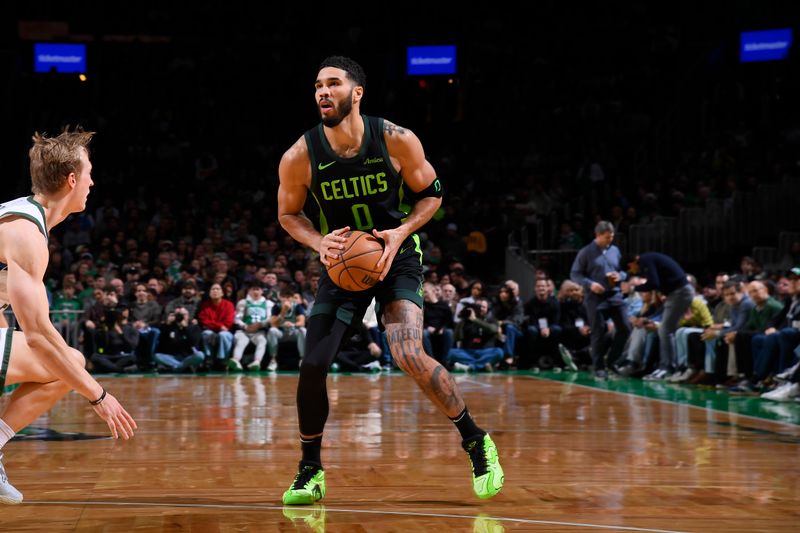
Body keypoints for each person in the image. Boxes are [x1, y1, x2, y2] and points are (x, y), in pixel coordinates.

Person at [277, 56, 503, 505]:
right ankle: (310, 471)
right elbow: (288, 214)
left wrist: (401, 232)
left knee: (406, 353)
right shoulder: (300, 155)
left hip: (394, 257)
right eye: (318, 85)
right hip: (342, 261)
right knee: (312, 365)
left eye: (334, 84)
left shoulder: (396, 139)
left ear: (356, 93)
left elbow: (432, 195)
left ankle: (476, 441)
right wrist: (319, 242)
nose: (323, 92)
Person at [0, 128, 137, 505]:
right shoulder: (26, 234)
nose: (93, 181)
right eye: (89, 172)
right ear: (72, 179)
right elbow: (38, 338)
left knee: (66, 362)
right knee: (70, 363)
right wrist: (99, 396)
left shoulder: (20, 219)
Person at [569, 221, 631, 378]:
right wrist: (590, 284)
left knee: (625, 328)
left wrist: (621, 276)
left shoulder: (615, 250)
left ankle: (612, 360)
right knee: (598, 331)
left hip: (615, 294)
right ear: (597, 235)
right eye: (606, 237)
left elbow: (623, 271)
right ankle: (599, 367)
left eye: (611, 237)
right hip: (595, 298)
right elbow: (575, 274)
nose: (610, 240)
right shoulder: (585, 252)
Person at [626, 252, 696, 380]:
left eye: (630, 267)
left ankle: (667, 367)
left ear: (634, 261)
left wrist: (634, 288)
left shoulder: (646, 260)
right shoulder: (650, 259)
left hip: (680, 293)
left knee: (665, 330)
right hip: (676, 293)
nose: (632, 271)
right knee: (667, 330)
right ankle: (668, 366)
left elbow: (654, 283)